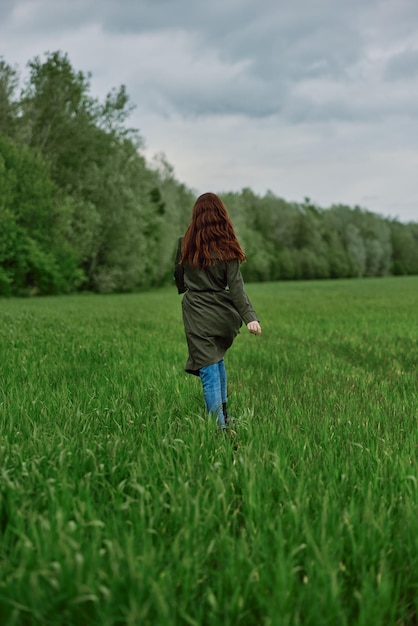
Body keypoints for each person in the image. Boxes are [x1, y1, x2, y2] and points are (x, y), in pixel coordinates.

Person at [174, 192, 262, 430]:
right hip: (222, 313)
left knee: (209, 368)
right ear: (221, 216)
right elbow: (236, 289)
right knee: (218, 360)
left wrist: (192, 289)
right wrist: (250, 318)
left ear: (197, 216)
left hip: (196, 311)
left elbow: (178, 277)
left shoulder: (184, 244)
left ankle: (219, 427)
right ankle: (224, 417)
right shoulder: (228, 248)